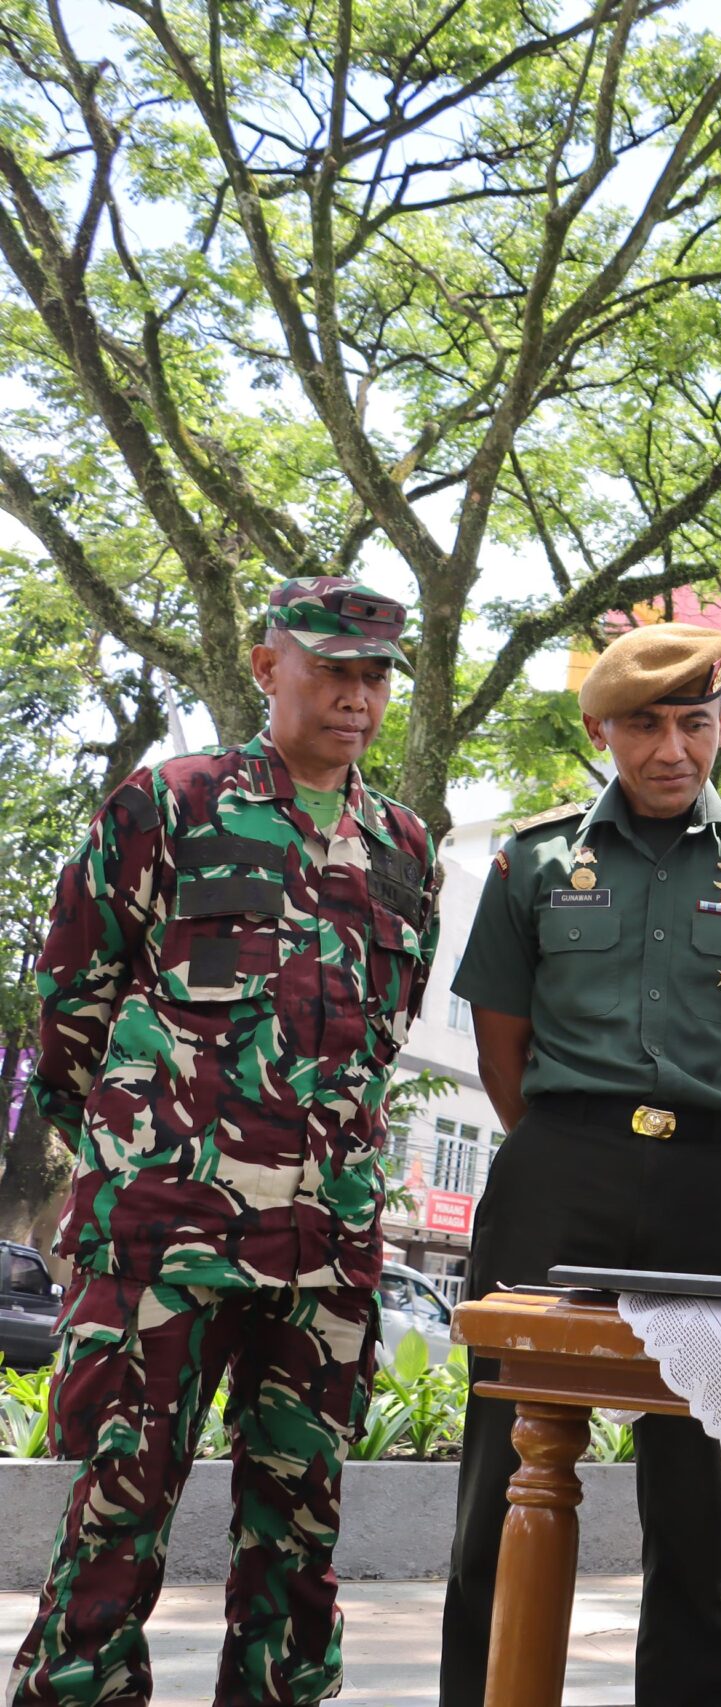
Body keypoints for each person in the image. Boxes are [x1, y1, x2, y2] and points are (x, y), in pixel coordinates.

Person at [11, 578, 438, 1706]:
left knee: (299, 1525)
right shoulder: (170, 804)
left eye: (376, 674)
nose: (357, 695)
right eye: (333, 668)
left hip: (326, 1243)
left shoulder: (402, 846)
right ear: (266, 669)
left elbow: (380, 1040)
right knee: (121, 1505)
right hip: (167, 1234)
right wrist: (135, 1158)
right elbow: (70, 1008)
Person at [437, 622, 721, 1707]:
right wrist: (582, 1141)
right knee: (500, 1470)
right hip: (560, 1173)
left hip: (714, 1182)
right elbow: (501, 1050)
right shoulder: (536, 859)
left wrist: (698, 1139)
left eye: (694, 723)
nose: (671, 749)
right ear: (601, 730)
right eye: (644, 725)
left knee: (697, 1486)